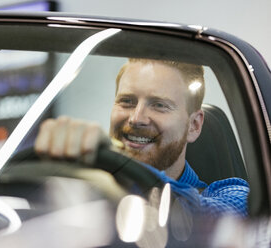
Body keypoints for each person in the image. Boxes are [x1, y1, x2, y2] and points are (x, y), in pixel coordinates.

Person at [34, 58, 249, 217]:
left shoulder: (232, 195)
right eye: (127, 101)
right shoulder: (80, 190)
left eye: (159, 105)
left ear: (193, 125)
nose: (136, 118)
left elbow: (200, 219)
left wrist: (116, 164)